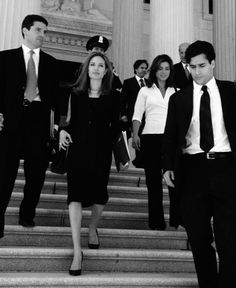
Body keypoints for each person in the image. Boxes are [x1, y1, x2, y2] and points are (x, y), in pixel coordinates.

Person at [162, 40, 236, 288]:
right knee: (198, 235)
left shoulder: (231, 91)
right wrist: (167, 167)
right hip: (192, 171)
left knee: (229, 237)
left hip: (226, 169)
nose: (197, 72)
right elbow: (170, 136)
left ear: (213, 63)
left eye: (202, 65)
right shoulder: (179, 98)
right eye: (192, 67)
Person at [59, 52, 121, 276]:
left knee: (99, 195)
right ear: (87, 69)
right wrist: (63, 132)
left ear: (106, 71)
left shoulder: (114, 96)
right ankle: (77, 251)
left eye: (100, 65)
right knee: (74, 195)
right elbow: (67, 121)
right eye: (92, 64)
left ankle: (93, 226)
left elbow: (117, 125)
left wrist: (110, 135)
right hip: (77, 150)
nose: (96, 68)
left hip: (101, 152)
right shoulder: (75, 94)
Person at [0, 14, 60, 237]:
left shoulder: (52, 63)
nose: (42, 35)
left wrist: (55, 126)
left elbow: (56, 100)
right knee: (4, 173)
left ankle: (27, 214)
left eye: (45, 31)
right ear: (25, 30)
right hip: (10, 121)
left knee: (36, 175)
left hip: (39, 123)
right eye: (38, 30)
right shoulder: (4, 59)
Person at [132, 54, 178, 230]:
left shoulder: (177, 91)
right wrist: (136, 135)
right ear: (155, 70)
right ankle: (156, 222)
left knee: (174, 180)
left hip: (171, 140)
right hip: (150, 138)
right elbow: (137, 115)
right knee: (153, 182)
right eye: (160, 68)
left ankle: (176, 219)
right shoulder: (145, 90)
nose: (163, 72)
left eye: (167, 68)